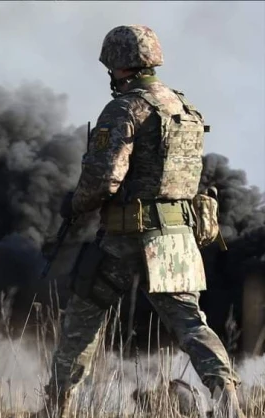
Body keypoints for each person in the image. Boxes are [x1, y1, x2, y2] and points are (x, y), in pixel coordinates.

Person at [35, 25, 245, 418]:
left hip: (126, 236)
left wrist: (76, 204)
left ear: (117, 63)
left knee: (83, 319)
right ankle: (228, 396)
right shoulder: (184, 108)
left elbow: (106, 177)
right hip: (176, 237)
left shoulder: (125, 108)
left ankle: (57, 407)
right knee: (191, 323)